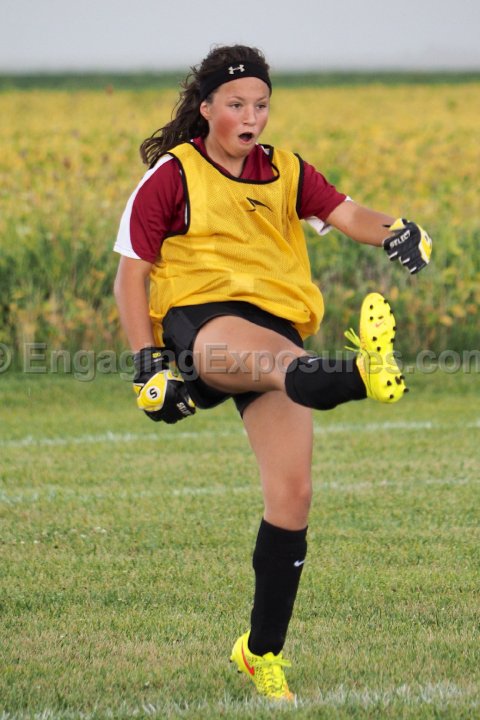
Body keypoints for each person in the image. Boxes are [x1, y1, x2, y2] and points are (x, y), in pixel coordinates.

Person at [113, 44, 432, 702]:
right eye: (237, 104)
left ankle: (259, 653)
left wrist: (397, 228)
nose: (251, 116)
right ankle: (363, 374)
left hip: (276, 327)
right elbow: (131, 274)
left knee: (292, 496)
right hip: (204, 321)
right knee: (291, 366)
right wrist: (147, 367)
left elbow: (349, 214)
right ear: (207, 108)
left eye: (261, 105)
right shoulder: (173, 176)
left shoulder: (286, 169)